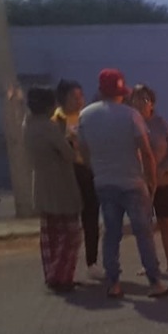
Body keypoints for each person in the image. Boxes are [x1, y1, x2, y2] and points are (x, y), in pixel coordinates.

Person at [76, 68, 168, 299]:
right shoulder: (131, 115)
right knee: (143, 233)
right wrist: (151, 180)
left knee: (111, 234)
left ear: (101, 90)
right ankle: (155, 283)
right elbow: (145, 151)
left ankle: (114, 283)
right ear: (121, 92)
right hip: (132, 182)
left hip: (104, 182)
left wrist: (97, 169)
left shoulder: (86, 116)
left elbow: (82, 150)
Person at [24, 85, 82, 292]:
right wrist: (73, 143)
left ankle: (51, 273)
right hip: (60, 185)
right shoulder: (49, 127)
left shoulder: (28, 124)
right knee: (70, 234)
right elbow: (69, 154)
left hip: (41, 184)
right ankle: (61, 275)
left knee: (50, 234)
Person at [129, 84, 168, 274]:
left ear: (152, 104)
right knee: (144, 226)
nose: (140, 103)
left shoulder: (164, 125)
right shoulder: (129, 125)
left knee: (166, 224)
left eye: (144, 99)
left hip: (164, 182)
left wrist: (166, 169)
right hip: (140, 183)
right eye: (136, 99)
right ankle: (148, 263)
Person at [53, 79, 102, 280]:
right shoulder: (58, 120)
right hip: (69, 173)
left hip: (88, 171)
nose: (79, 100)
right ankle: (65, 267)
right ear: (63, 98)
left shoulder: (86, 116)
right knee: (69, 223)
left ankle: (92, 262)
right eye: (74, 96)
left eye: (81, 95)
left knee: (91, 218)